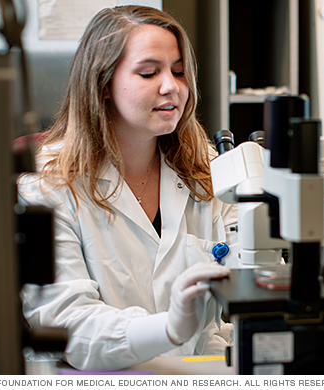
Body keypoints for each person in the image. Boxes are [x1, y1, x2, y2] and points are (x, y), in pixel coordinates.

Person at [18, 5, 239, 370]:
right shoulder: (47, 184)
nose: (172, 87)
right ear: (103, 84)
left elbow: (247, 281)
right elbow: (65, 322)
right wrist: (167, 328)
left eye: (179, 71)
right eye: (149, 73)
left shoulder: (207, 170)